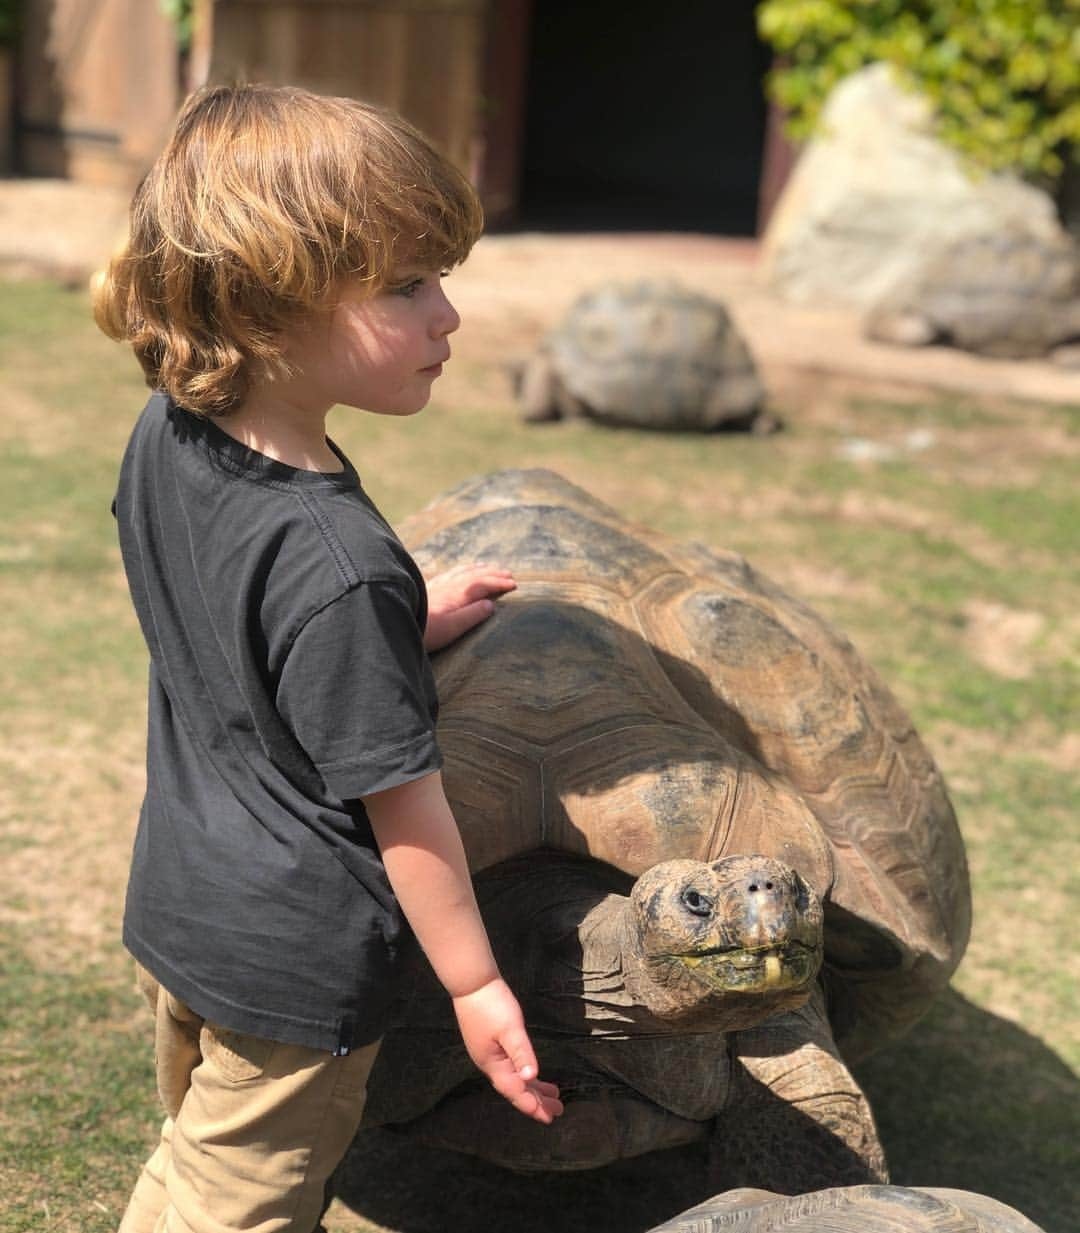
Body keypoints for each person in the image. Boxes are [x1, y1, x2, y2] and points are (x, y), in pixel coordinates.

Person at [93, 82, 562, 1233]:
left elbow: (229, 628)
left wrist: (389, 627)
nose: (449, 315)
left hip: (181, 901)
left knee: (196, 1156)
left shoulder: (169, 431)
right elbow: (409, 816)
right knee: (230, 1206)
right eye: (407, 286)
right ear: (273, 299)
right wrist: (475, 983)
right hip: (292, 963)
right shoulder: (340, 564)